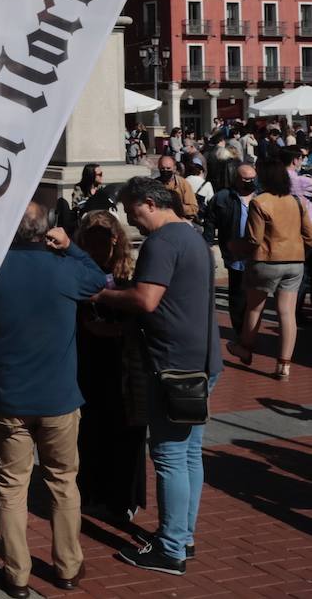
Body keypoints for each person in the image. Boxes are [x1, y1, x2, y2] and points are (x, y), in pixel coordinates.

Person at [0, 203, 105, 597]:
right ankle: (67, 566)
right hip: (58, 397)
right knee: (63, 482)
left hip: (10, 395)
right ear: (47, 231)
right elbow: (99, 279)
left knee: (12, 486)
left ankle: (17, 572)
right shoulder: (63, 270)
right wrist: (71, 247)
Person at [97, 178, 223, 576]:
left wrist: (104, 296)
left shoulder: (162, 242)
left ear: (149, 204)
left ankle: (171, 548)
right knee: (188, 454)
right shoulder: (192, 236)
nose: (133, 221)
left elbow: (146, 299)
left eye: (133, 212)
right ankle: (181, 535)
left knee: (170, 457)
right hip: (201, 360)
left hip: (172, 365)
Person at [72, 210, 148, 526]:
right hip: (88, 358)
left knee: (125, 428)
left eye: (101, 242)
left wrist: (116, 329)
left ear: (115, 241)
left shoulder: (128, 272)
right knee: (90, 428)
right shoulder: (76, 268)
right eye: (89, 242)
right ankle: (92, 490)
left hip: (123, 360)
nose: (95, 249)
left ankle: (123, 498)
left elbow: (141, 312)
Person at [230, 158, 311, 379]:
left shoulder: (260, 202)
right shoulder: (296, 201)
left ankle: (245, 348)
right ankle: (284, 365)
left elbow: (254, 239)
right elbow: (308, 235)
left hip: (266, 261)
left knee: (255, 308)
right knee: (287, 313)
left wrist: (235, 245)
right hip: (294, 262)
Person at [205, 162, 257, 334]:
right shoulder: (223, 197)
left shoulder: (261, 196)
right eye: (245, 179)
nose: (249, 182)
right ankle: (240, 328)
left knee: (256, 294)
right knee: (237, 294)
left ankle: (251, 330)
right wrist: (208, 244)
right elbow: (210, 221)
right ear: (236, 179)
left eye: (252, 178)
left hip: (258, 253)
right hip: (235, 254)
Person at [156, 155, 199, 222]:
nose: (165, 171)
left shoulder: (183, 184)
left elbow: (193, 208)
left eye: (168, 168)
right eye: (162, 168)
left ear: (174, 168)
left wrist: (177, 207)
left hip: (179, 221)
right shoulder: (154, 184)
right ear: (158, 167)